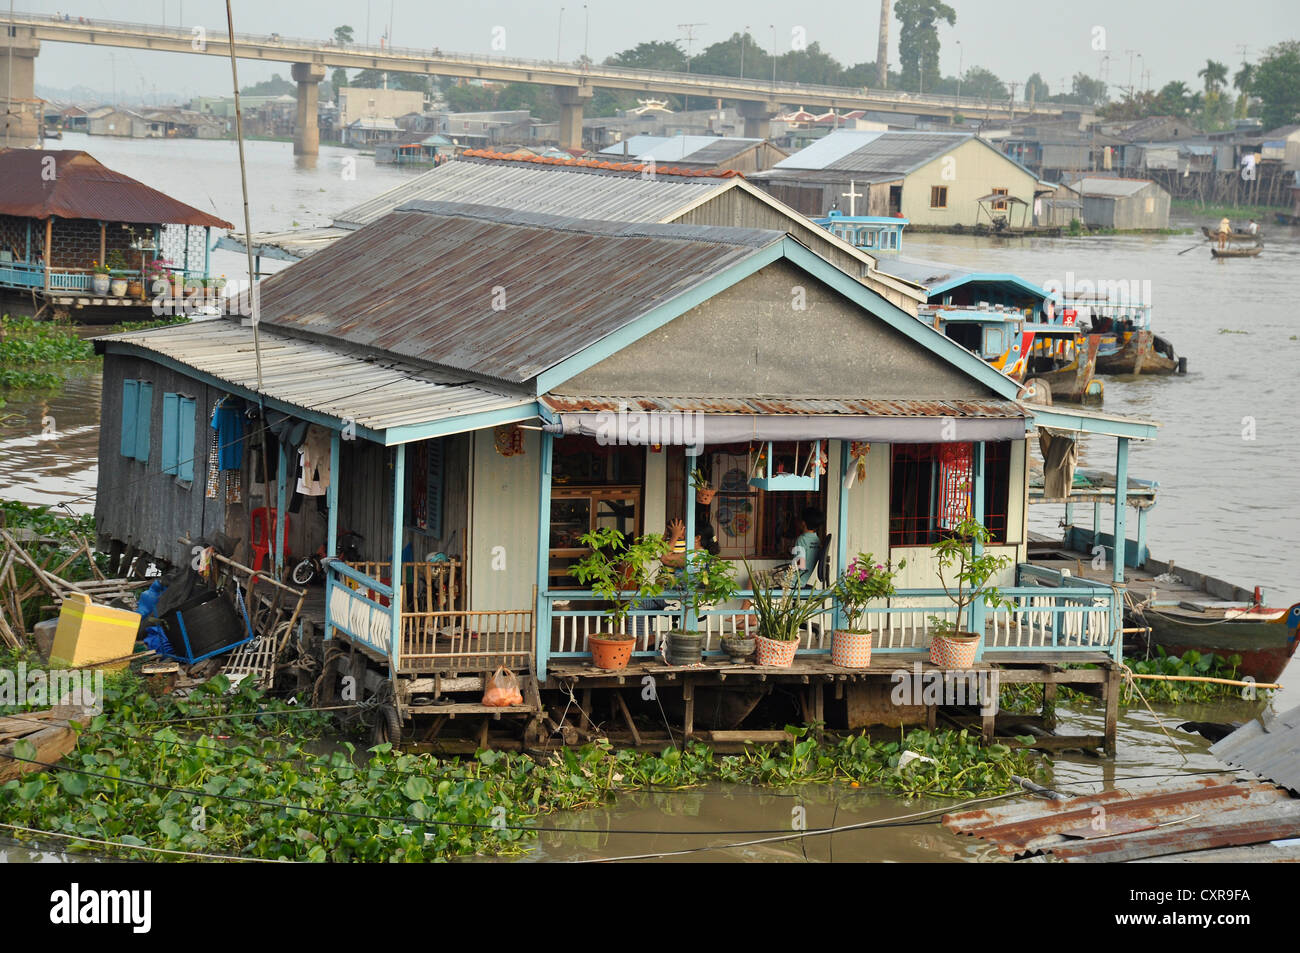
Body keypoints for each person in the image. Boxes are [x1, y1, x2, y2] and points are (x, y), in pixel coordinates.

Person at [790, 507, 823, 586]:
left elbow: (799, 565)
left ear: (803, 523)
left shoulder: (802, 539)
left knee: (757, 577)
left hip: (793, 581)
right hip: (803, 580)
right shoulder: (817, 540)